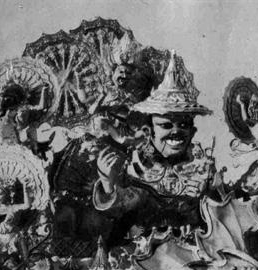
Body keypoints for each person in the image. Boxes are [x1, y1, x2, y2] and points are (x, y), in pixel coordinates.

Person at [93, 51, 219, 244]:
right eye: (166, 125)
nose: (176, 132)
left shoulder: (204, 167)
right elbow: (122, 209)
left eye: (183, 125)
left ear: (193, 131)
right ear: (149, 130)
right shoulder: (137, 165)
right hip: (143, 254)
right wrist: (108, 182)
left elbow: (219, 215)